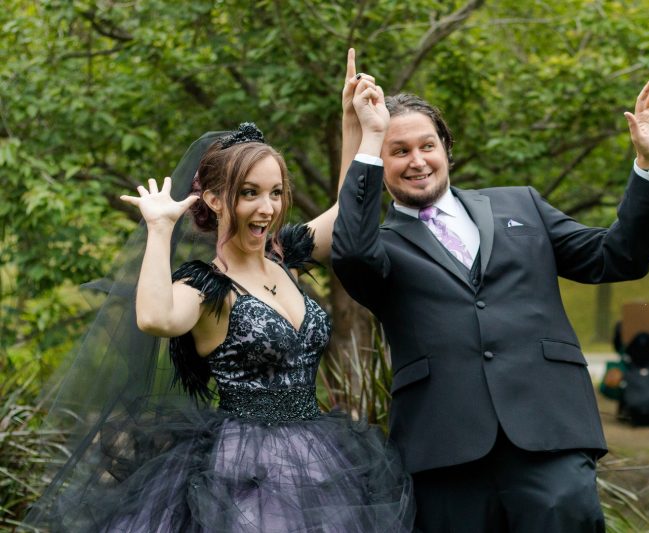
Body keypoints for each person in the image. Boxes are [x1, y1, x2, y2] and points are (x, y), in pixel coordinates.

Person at [25, 52, 413, 532]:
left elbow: (347, 212)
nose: (267, 207)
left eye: (275, 192)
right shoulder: (208, 288)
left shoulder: (286, 260)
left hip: (318, 456)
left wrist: (353, 123)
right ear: (212, 198)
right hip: (243, 471)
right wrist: (160, 228)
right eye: (249, 192)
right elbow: (155, 318)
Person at [332, 70, 649, 531]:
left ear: (446, 150)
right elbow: (351, 253)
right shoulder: (377, 246)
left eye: (426, 146)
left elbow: (617, 257)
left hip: (549, 432)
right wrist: (366, 138)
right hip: (443, 450)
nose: (416, 161)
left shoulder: (522, 205)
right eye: (398, 151)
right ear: (381, 161)